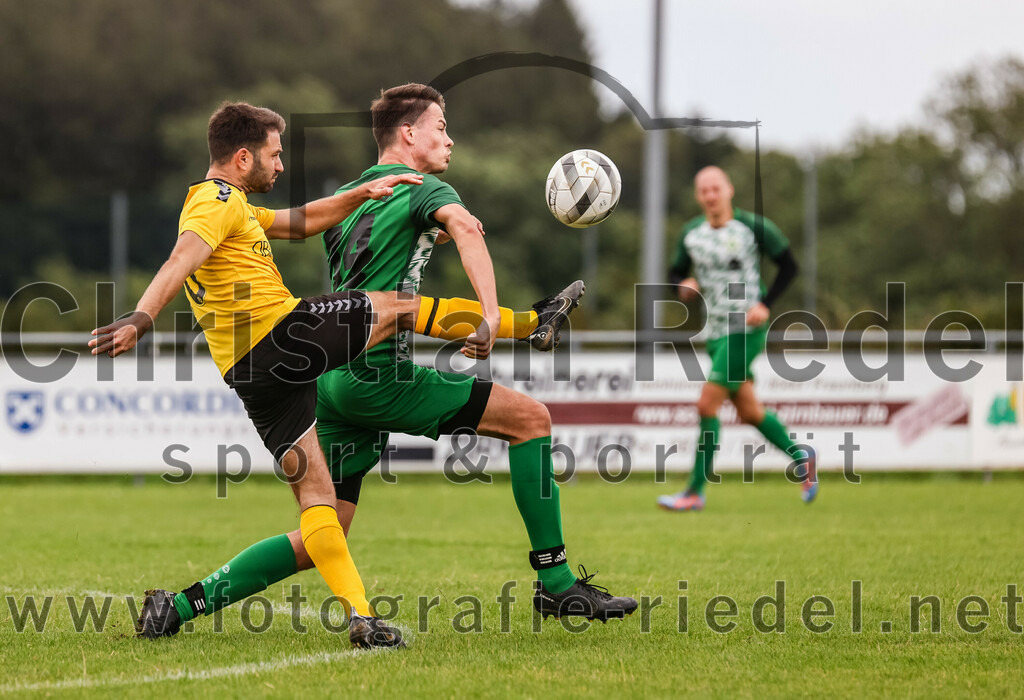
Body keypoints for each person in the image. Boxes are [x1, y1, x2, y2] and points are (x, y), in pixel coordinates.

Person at [131, 84, 638, 643]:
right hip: (377, 375)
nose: (450, 137)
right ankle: (557, 582)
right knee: (530, 420)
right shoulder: (423, 188)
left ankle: (180, 605)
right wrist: (491, 314)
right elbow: (467, 228)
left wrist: (419, 233)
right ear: (410, 134)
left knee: (324, 527)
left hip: (327, 379)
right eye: (441, 125)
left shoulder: (359, 193)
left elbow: (303, 223)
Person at [89, 101, 511, 648]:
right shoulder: (214, 201)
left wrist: (358, 194)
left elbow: (304, 221)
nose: (281, 166)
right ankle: (520, 325)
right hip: (281, 335)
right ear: (243, 157)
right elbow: (181, 258)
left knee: (319, 501)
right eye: (274, 154)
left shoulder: (236, 206)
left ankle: (357, 620)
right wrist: (143, 316)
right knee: (399, 306)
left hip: (251, 374)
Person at [656, 166, 817, 512]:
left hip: (745, 328)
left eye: (716, 188)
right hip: (713, 331)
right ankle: (801, 457)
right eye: (704, 191)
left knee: (706, 405)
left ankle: (694, 492)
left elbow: (789, 265)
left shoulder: (754, 227)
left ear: (729, 189)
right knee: (748, 411)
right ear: (698, 197)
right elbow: (675, 272)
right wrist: (681, 284)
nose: (711, 196)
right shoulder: (691, 233)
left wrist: (765, 304)